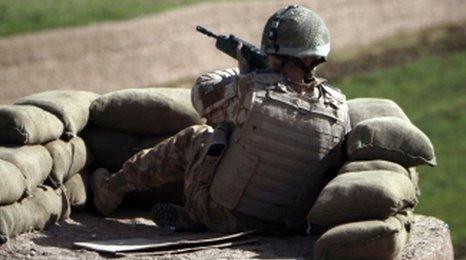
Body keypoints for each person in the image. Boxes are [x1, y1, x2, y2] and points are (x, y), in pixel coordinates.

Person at [91, 4, 350, 234]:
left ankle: (112, 189)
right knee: (239, 135)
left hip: (226, 214)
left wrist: (246, 74)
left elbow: (201, 95)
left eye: (271, 54)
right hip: (285, 226)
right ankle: (196, 219)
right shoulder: (338, 108)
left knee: (200, 137)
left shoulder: (251, 93)